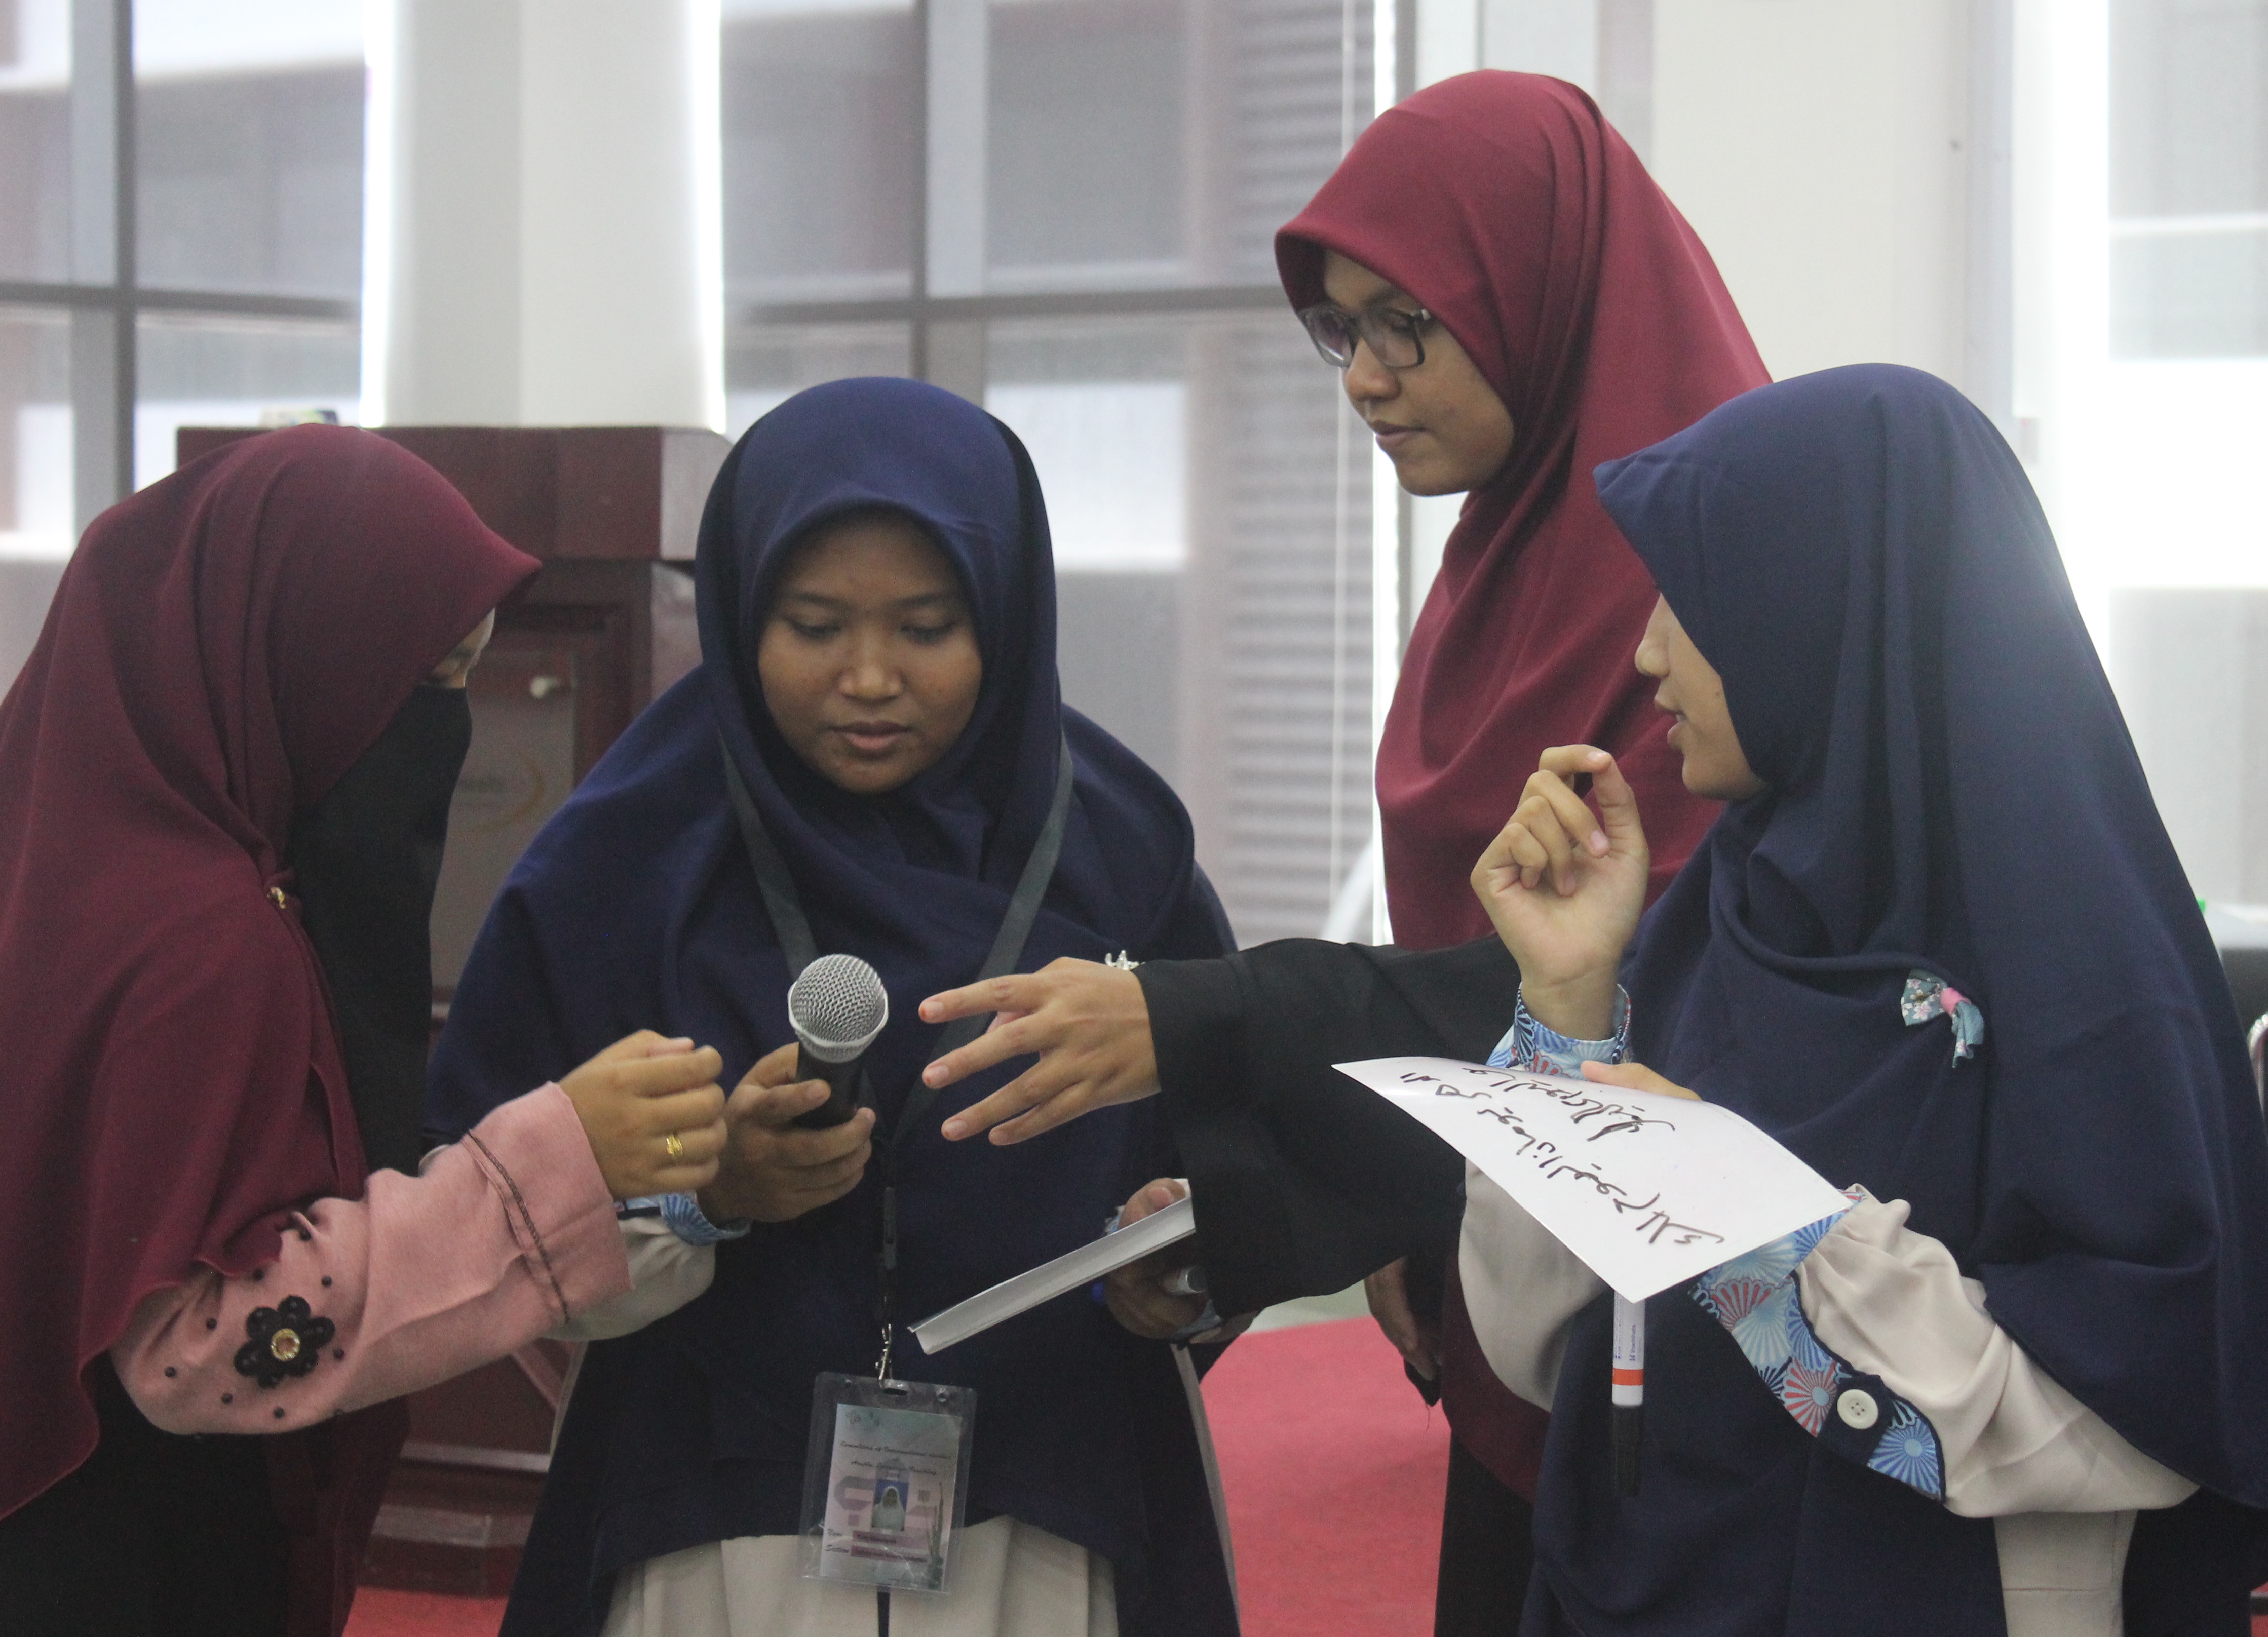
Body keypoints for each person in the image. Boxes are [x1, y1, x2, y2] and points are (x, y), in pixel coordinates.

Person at [921, 365, 2268, 1633]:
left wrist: (1762, 1232)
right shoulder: (1724, 921)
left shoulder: (2093, 996)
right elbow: (1541, 1349)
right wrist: (1562, 1007)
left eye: (1692, 600)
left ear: (1827, 618)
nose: (1646, 653)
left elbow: (2140, 1420)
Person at [425, 377, 1239, 1637]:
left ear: (1005, 617)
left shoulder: (1117, 851)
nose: (868, 677)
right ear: (741, 611)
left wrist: (1182, 1272)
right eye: (812, 625)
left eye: (926, 627)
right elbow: (482, 1205)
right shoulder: (625, 859)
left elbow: (1229, 1165)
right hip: (716, 1501)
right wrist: (707, 1194)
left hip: (1047, 1492)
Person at [0, 425, 732, 1637]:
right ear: (298, 659)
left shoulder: (62, 867)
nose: (447, 728)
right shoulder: (204, 940)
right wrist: (553, 1160)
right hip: (135, 1561)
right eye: (429, 679)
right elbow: (198, 1341)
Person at [1272, 67, 1768, 1624]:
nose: (1366, 378)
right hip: (1493, 1273)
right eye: (1341, 330)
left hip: (1705, 1347)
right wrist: (1408, 1193)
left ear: (1540, 291)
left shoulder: (1725, 582)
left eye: (1406, 322)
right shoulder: (1502, 561)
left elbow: (1683, 994)